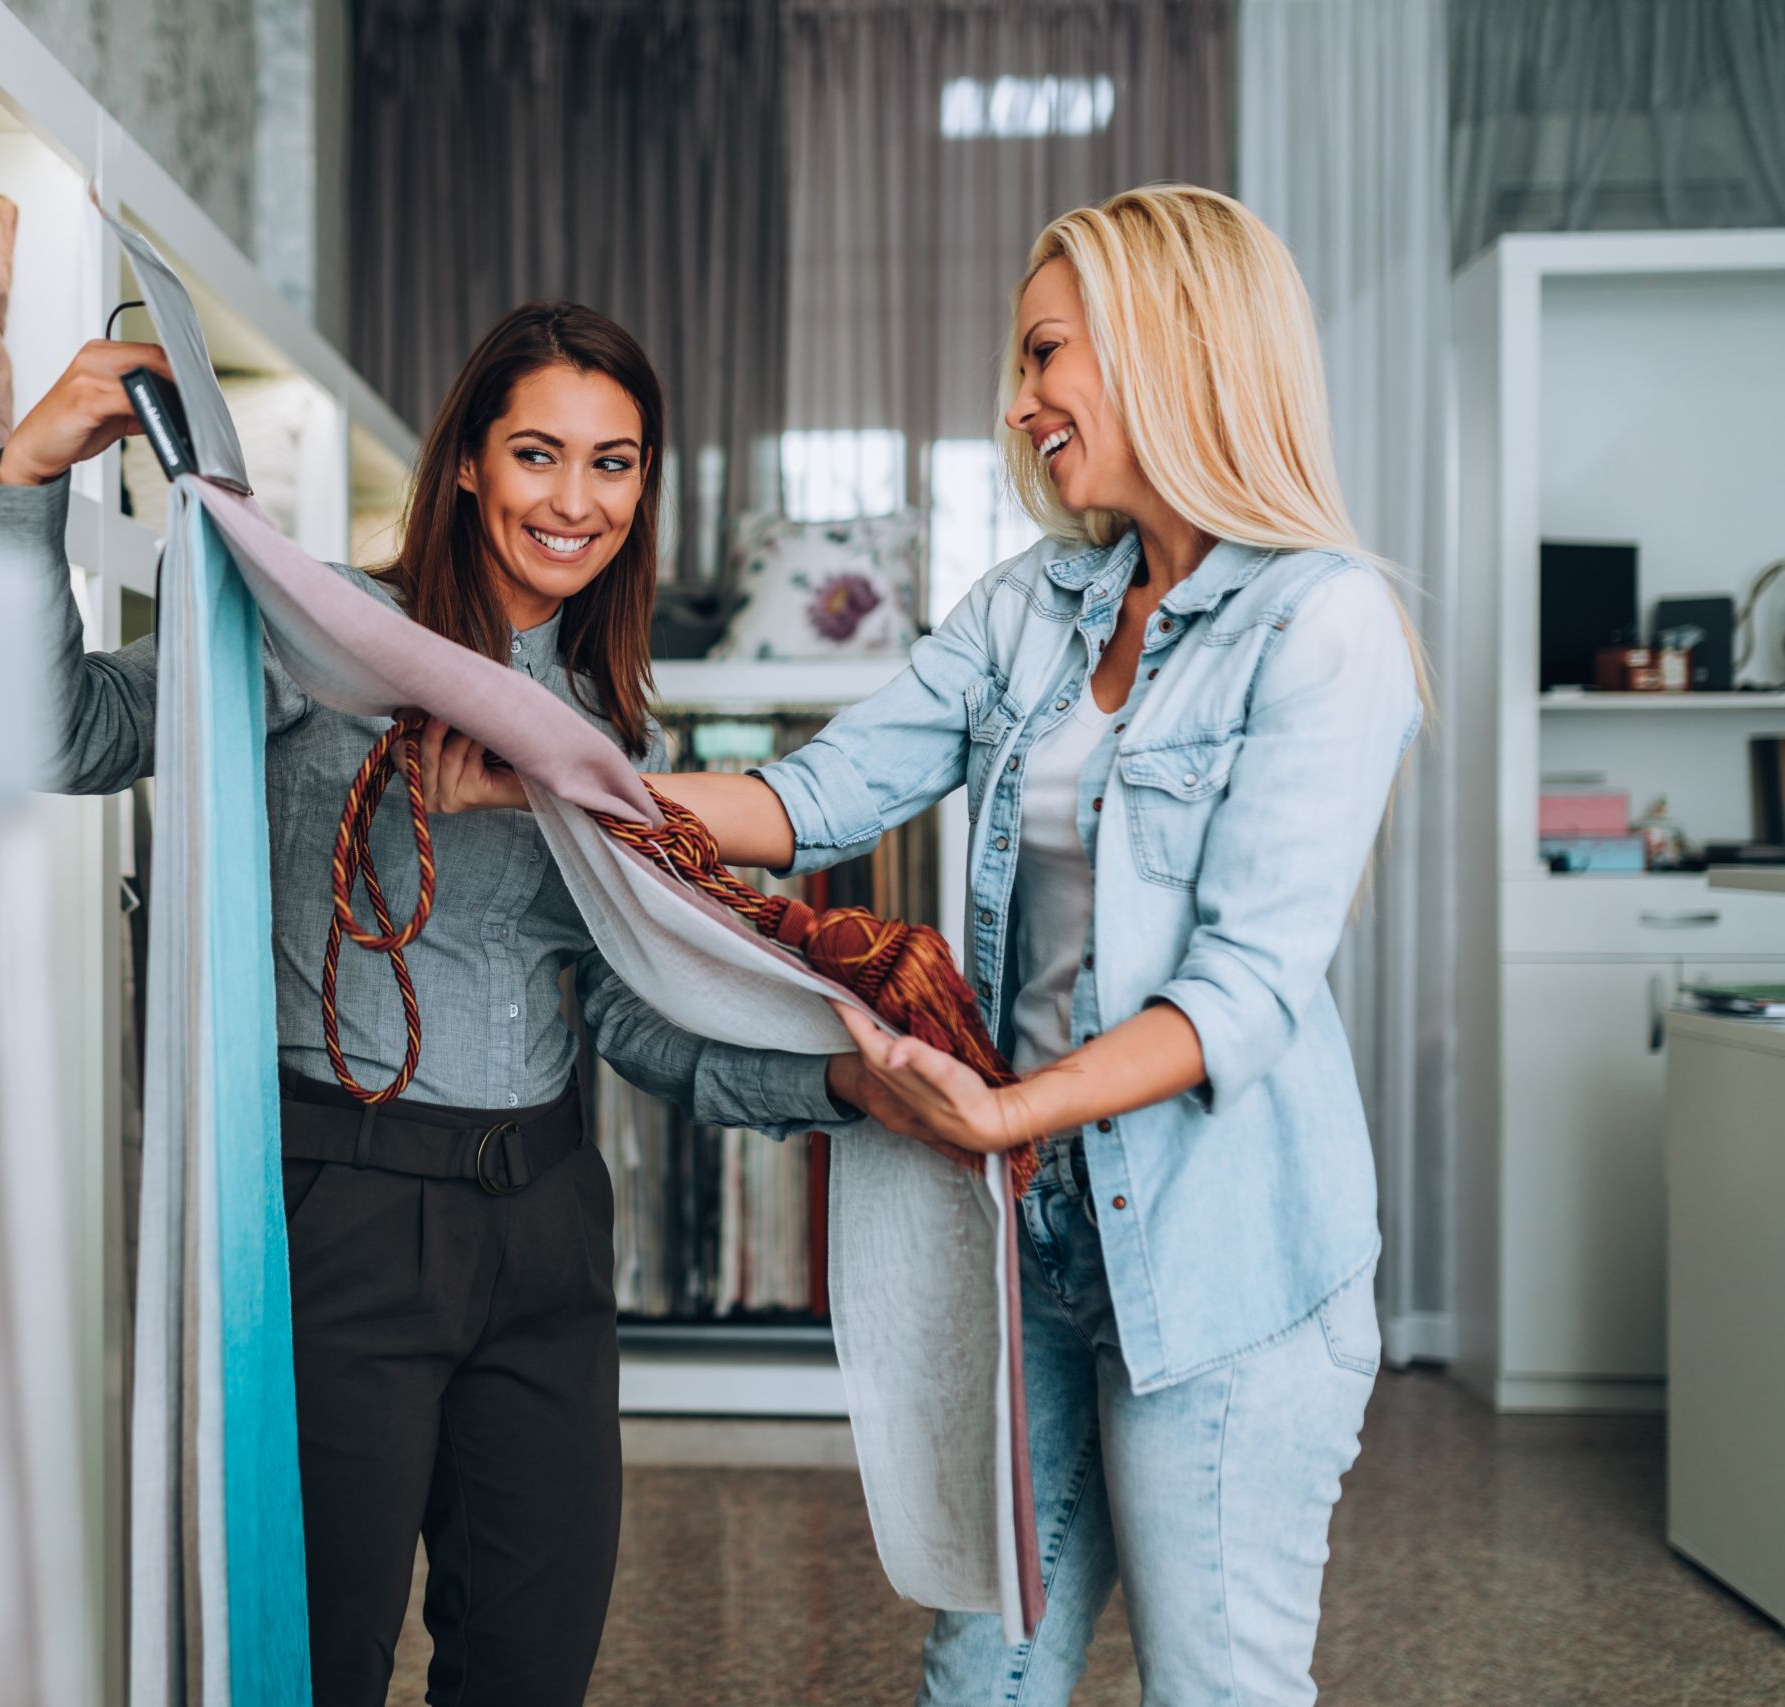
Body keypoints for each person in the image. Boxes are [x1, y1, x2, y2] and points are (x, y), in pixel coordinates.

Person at [454, 185, 1426, 1705]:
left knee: (1216, 1689)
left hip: (1227, 1262)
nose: (1023, 399)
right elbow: (819, 793)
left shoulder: (1324, 623)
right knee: (982, 1680)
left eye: (1049, 354)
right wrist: (537, 767)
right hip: (1035, 1246)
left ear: (1172, 344)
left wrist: (1003, 1114)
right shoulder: (1032, 609)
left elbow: (1240, 993)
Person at [0, 304, 873, 1707]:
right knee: (309, 1668)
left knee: (530, 1669)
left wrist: (845, 1082)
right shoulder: (312, 633)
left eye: (614, 464)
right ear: (466, 462)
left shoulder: (623, 733)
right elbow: (57, 732)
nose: (576, 502)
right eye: (538, 454)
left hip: (552, 1229)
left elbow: (633, 1018)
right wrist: (29, 479)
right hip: (343, 1217)